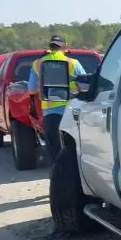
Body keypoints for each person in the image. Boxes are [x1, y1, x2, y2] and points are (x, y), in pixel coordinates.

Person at [28, 35, 86, 163]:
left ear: (49, 47)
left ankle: (58, 175)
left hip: (50, 113)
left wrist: (42, 85)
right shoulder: (73, 63)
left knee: (55, 150)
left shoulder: (37, 64)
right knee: (74, 146)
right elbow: (85, 86)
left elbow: (31, 89)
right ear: (65, 47)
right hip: (72, 111)